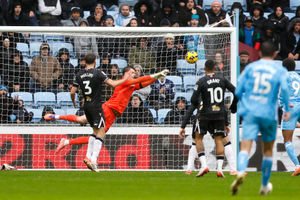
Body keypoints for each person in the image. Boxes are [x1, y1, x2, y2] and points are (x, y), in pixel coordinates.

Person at [44, 62, 169, 158]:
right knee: (89, 127)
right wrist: (156, 75)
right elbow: (140, 80)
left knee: (93, 135)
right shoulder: (124, 82)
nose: (134, 73)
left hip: (112, 114)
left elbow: (143, 84)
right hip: (108, 109)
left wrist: (157, 78)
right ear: (126, 73)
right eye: (132, 71)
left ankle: (66, 140)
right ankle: (91, 158)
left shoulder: (131, 85)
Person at [230, 42, 290, 195]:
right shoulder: (279, 69)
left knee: (245, 146)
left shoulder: (250, 68)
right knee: (268, 150)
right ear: (275, 55)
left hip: (251, 112)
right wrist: (287, 109)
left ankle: (241, 171)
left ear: (260, 54)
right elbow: (284, 89)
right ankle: (264, 185)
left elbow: (238, 92)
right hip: (269, 113)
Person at [68, 53, 131, 172]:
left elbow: (72, 92)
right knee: (101, 132)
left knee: (95, 132)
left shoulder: (79, 74)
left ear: (84, 61)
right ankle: (94, 159)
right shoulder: (98, 72)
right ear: (95, 61)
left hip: (86, 106)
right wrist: (125, 79)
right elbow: (112, 84)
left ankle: (88, 157)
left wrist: (74, 102)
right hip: (97, 106)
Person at [179, 59, 237, 178]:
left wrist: (201, 102)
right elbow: (236, 91)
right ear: (215, 68)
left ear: (204, 68)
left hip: (204, 115)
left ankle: (203, 165)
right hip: (219, 115)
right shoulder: (222, 79)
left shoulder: (201, 81)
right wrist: (233, 107)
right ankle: (221, 169)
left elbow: (193, 102)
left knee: (197, 139)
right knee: (221, 140)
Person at [279, 58, 300, 176]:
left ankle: (297, 166)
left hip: (291, 107)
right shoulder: (298, 77)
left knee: (287, 140)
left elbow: (282, 93)